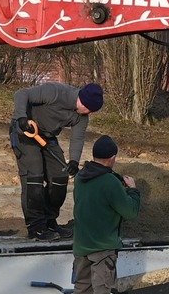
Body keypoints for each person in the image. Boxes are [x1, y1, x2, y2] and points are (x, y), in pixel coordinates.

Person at [67, 135, 140, 294]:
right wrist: (133, 190)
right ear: (112, 158)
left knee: (81, 288)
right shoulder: (110, 181)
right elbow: (130, 211)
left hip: (81, 246)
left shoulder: (81, 178)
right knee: (101, 291)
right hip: (103, 247)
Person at [9, 80, 103, 240]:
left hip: (47, 137)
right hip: (25, 132)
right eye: (88, 107)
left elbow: (78, 138)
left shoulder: (82, 117)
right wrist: (21, 117)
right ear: (81, 98)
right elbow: (21, 94)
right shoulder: (55, 91)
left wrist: (74, 161)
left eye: (92, 110)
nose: (88, 112)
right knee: (34, 176)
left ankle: (49, 221)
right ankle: (36, 227)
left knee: (60, 177)